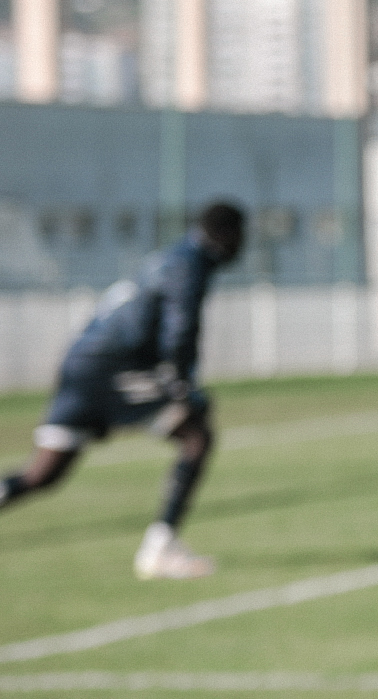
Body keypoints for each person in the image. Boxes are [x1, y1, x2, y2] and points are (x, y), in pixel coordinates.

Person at [0, 201, 247, 580]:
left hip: (80, 365)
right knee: (196, 434)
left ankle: (161, 546)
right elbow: (180, 330)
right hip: (112, 370)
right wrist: (184, 387)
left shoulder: (173, 255)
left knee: (42, 474)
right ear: (228, 234)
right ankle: (160, 549)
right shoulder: (191, 263)